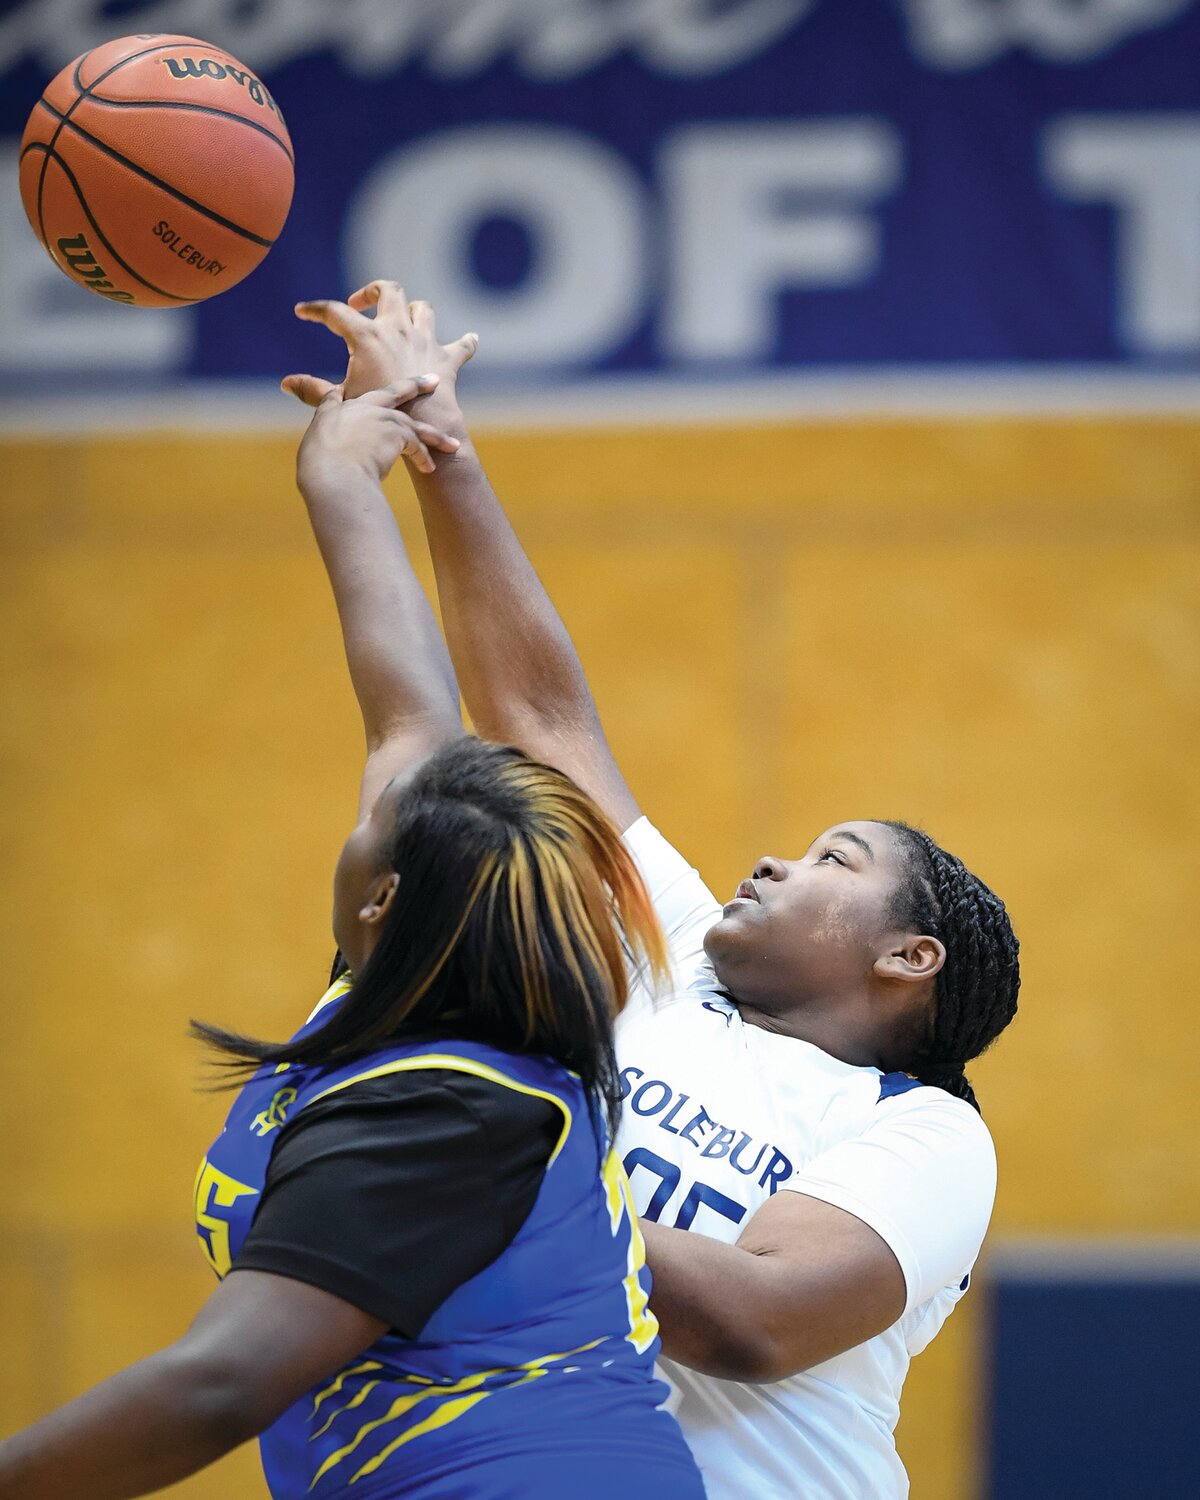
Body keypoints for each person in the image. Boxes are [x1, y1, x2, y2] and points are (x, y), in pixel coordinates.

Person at [283, 283, 1022, 1500]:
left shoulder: (922, 1131)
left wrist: (473, 1163)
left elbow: (759, 1320)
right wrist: (439, 448)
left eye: (836, 860)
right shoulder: (671, 950)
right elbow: (537, 716)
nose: (777, 861)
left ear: (909, 957)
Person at [0, 380, 706, 1500]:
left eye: (371, 818)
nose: (367, 797)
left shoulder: (449, 1107)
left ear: (382, 899)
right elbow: (408, 713)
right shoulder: (411, 990)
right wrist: (342, 473)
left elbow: (218, 1388)